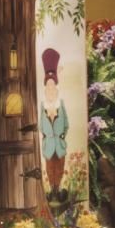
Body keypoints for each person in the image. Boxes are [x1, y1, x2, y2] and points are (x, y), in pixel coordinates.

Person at [39, 47, 69, 200]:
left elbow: (66, 123)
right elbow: (40, 124)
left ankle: (58, 189)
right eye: (48, 85)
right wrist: (45, 137)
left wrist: (62, 135)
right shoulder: (43, 105)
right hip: (49, 143)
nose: (50, 88)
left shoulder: (60, 102)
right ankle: (52, 191)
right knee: (50, 167)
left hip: (59, 142)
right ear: (46, 88)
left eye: (53, 85)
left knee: (59, 166)